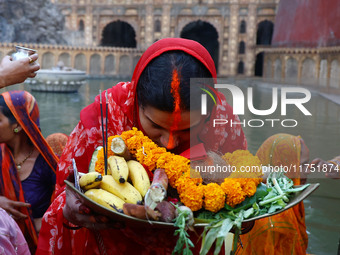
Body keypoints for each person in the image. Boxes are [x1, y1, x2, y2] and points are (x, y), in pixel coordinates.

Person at [37, 38, 247, 254]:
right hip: (113, 245)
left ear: (208, 113)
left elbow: (244, 190)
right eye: (156, 125)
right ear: (136, 99)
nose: (169, 142)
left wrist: (244, 212)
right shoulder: (106, 115)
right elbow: (67, 189)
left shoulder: (222, 122)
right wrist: (72, 210)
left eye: (187, 130)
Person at [0, 91, 59, 254]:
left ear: (18, 125)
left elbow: (65, 211)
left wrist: (35, 224)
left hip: (42, 246)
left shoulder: (47, 164)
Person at [236, 133, 310, 255]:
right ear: (283, 165)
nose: (308, 171)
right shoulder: (272, 223)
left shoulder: (280, 201)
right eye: (302, 165)